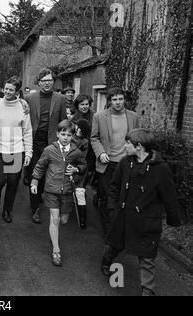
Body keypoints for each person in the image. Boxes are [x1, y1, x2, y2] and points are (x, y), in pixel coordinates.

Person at [101, 129, 181, 296]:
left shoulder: (160, 169)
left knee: (147, 259)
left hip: (146, 222)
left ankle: (147, 291)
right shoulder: (125, 162)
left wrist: (174, 220)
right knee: (114, 245)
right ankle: (107, 261)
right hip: (123, 216)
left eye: (128, 143)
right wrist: (112, 208)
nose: (125, 146)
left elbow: (170, 197)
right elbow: (114, 187)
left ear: (138, 146)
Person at [31, 120, 87, 267]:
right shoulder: (49, 150)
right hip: (51, 190)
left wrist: (76, 170)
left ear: (72, 136)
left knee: (63, 220)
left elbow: (83, 166)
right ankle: (56, 250)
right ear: (57, 134)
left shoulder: (76, 152)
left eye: (69, 135)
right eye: (63, 134)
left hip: (67, 191)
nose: (65, 137)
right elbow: (40, 166)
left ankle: (53, 233)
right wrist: (35, 182)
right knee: (54, 219)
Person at [91, 87, 139, 236]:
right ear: (109, 101)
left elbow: (137, 139)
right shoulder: (99, 116)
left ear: (124, 100)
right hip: (108, 163)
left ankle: (120, 226)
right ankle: (109, 229)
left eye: (120, 99)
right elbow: (94, 138)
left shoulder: (133, 116)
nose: (118, 103)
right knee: (106, 198)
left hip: (126, 163)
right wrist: (101, 153)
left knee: (123, 196)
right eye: (114, 99)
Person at [24, 68, 67, 225]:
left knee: (48, 174)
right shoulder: (29, 97)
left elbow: (63, 122)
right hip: (34, 141)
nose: (47, 84)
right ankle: (34, 208)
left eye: (49, 81)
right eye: (43, 81)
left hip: (51, 143)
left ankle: (40, 192)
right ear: (39, 82)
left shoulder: (61, 99)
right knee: (34, 173)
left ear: (53, 82)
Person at [0, 77, 32, 223]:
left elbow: (27, 131)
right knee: (0, 180)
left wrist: (28, 152)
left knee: (13, 182)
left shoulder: (23, 107)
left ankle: (7, 210)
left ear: (17, 92)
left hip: (16, 150)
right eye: (6, 88)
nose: (8, 92)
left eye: (11, 90)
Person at [71, 118, 91, 229]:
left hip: (79, 169)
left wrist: (77, 170)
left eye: (82, 129)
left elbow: (83, 159)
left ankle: (82, 219)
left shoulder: (85, 143)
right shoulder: (69, 136)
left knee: (80, 193)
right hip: (66, 168)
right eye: (78, 127)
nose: (79, 130)